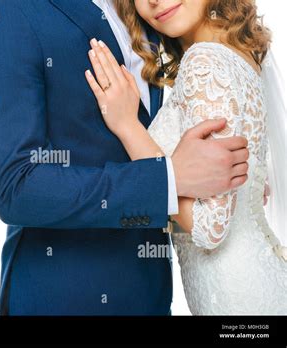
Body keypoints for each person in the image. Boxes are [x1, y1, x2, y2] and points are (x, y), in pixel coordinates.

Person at [0, 0, 250, 315]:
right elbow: (15, 188)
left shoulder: (144, 10)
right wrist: (169, 178)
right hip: (67, 298)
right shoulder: (4, 12)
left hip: (154, 294)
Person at [85, 0, 287, 314]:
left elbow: (209, 229)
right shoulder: (236, 52)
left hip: (241, 299)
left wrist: (128, 127)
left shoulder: (204, 60)